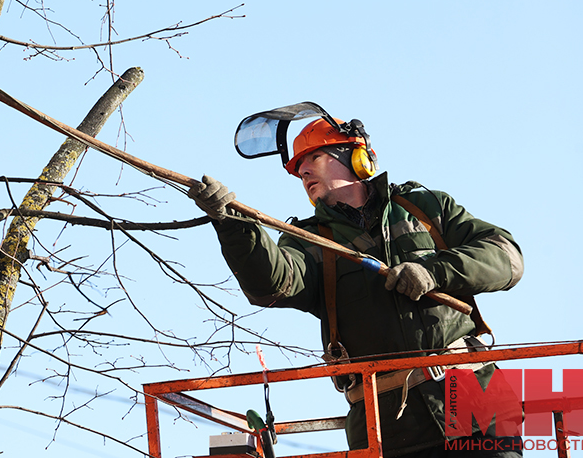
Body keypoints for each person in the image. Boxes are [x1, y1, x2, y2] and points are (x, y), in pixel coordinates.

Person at [189, 108, 524, 457]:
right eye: (298, 169)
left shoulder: (424, 208)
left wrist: (434, 272)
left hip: (474, 403)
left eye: (314, 157)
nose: (302, 171)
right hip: (386, 429)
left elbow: (507, 258)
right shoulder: (309, 240)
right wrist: (233, 225)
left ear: (358, 159)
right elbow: (272, 283)